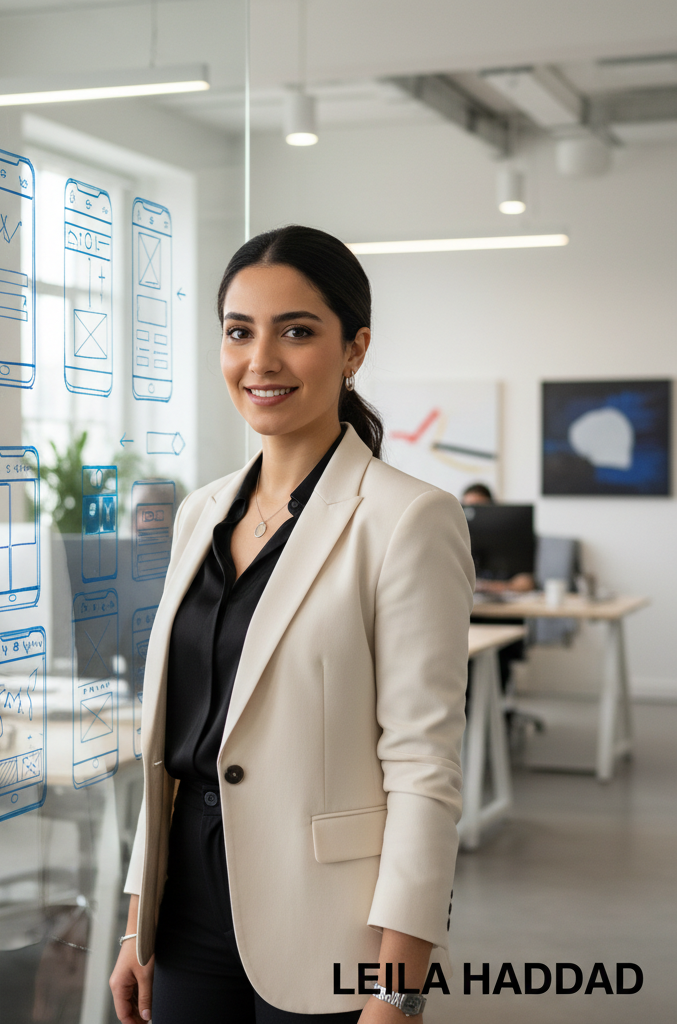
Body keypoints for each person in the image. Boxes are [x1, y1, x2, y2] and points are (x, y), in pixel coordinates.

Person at [110, 226, 474, 1023]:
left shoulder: (408, 519)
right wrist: (138, 919)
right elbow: (171, 745)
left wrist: (399, 989)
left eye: (297, 332)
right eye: (239, 332)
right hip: (187, 907)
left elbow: (424, 767)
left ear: (354, 350)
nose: (261, 360)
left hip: (327, 920)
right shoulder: (201, 512)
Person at [459, 482, 534, 594]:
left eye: (479, 508)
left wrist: (491, 587)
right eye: (468, 508)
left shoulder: (512, 536)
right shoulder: (458, 540)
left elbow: (527, 582)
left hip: (504, 598)